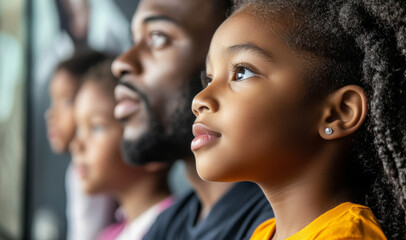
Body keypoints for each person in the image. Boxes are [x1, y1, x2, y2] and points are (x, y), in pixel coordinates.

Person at [192, 0, 406, 239]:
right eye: (210, 79)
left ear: (339, 113)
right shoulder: (264, 233)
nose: (199, 99)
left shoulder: (347, 236)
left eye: (241, 72)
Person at [111, 0, 273, 239]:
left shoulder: (280, 222)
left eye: (158, 37)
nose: (121, 63)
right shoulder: (167, 225)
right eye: (134, 40)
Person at [69, 59, 173, 240]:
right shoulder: (107, 236)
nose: (76, 145)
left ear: (154, 145)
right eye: (78, 128)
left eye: (96, 127)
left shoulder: (178, 229)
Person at [45, 51, 116, 240]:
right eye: (53, 100)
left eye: (66, 101)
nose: (51, 114)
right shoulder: (78, 172)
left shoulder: (88, 171)